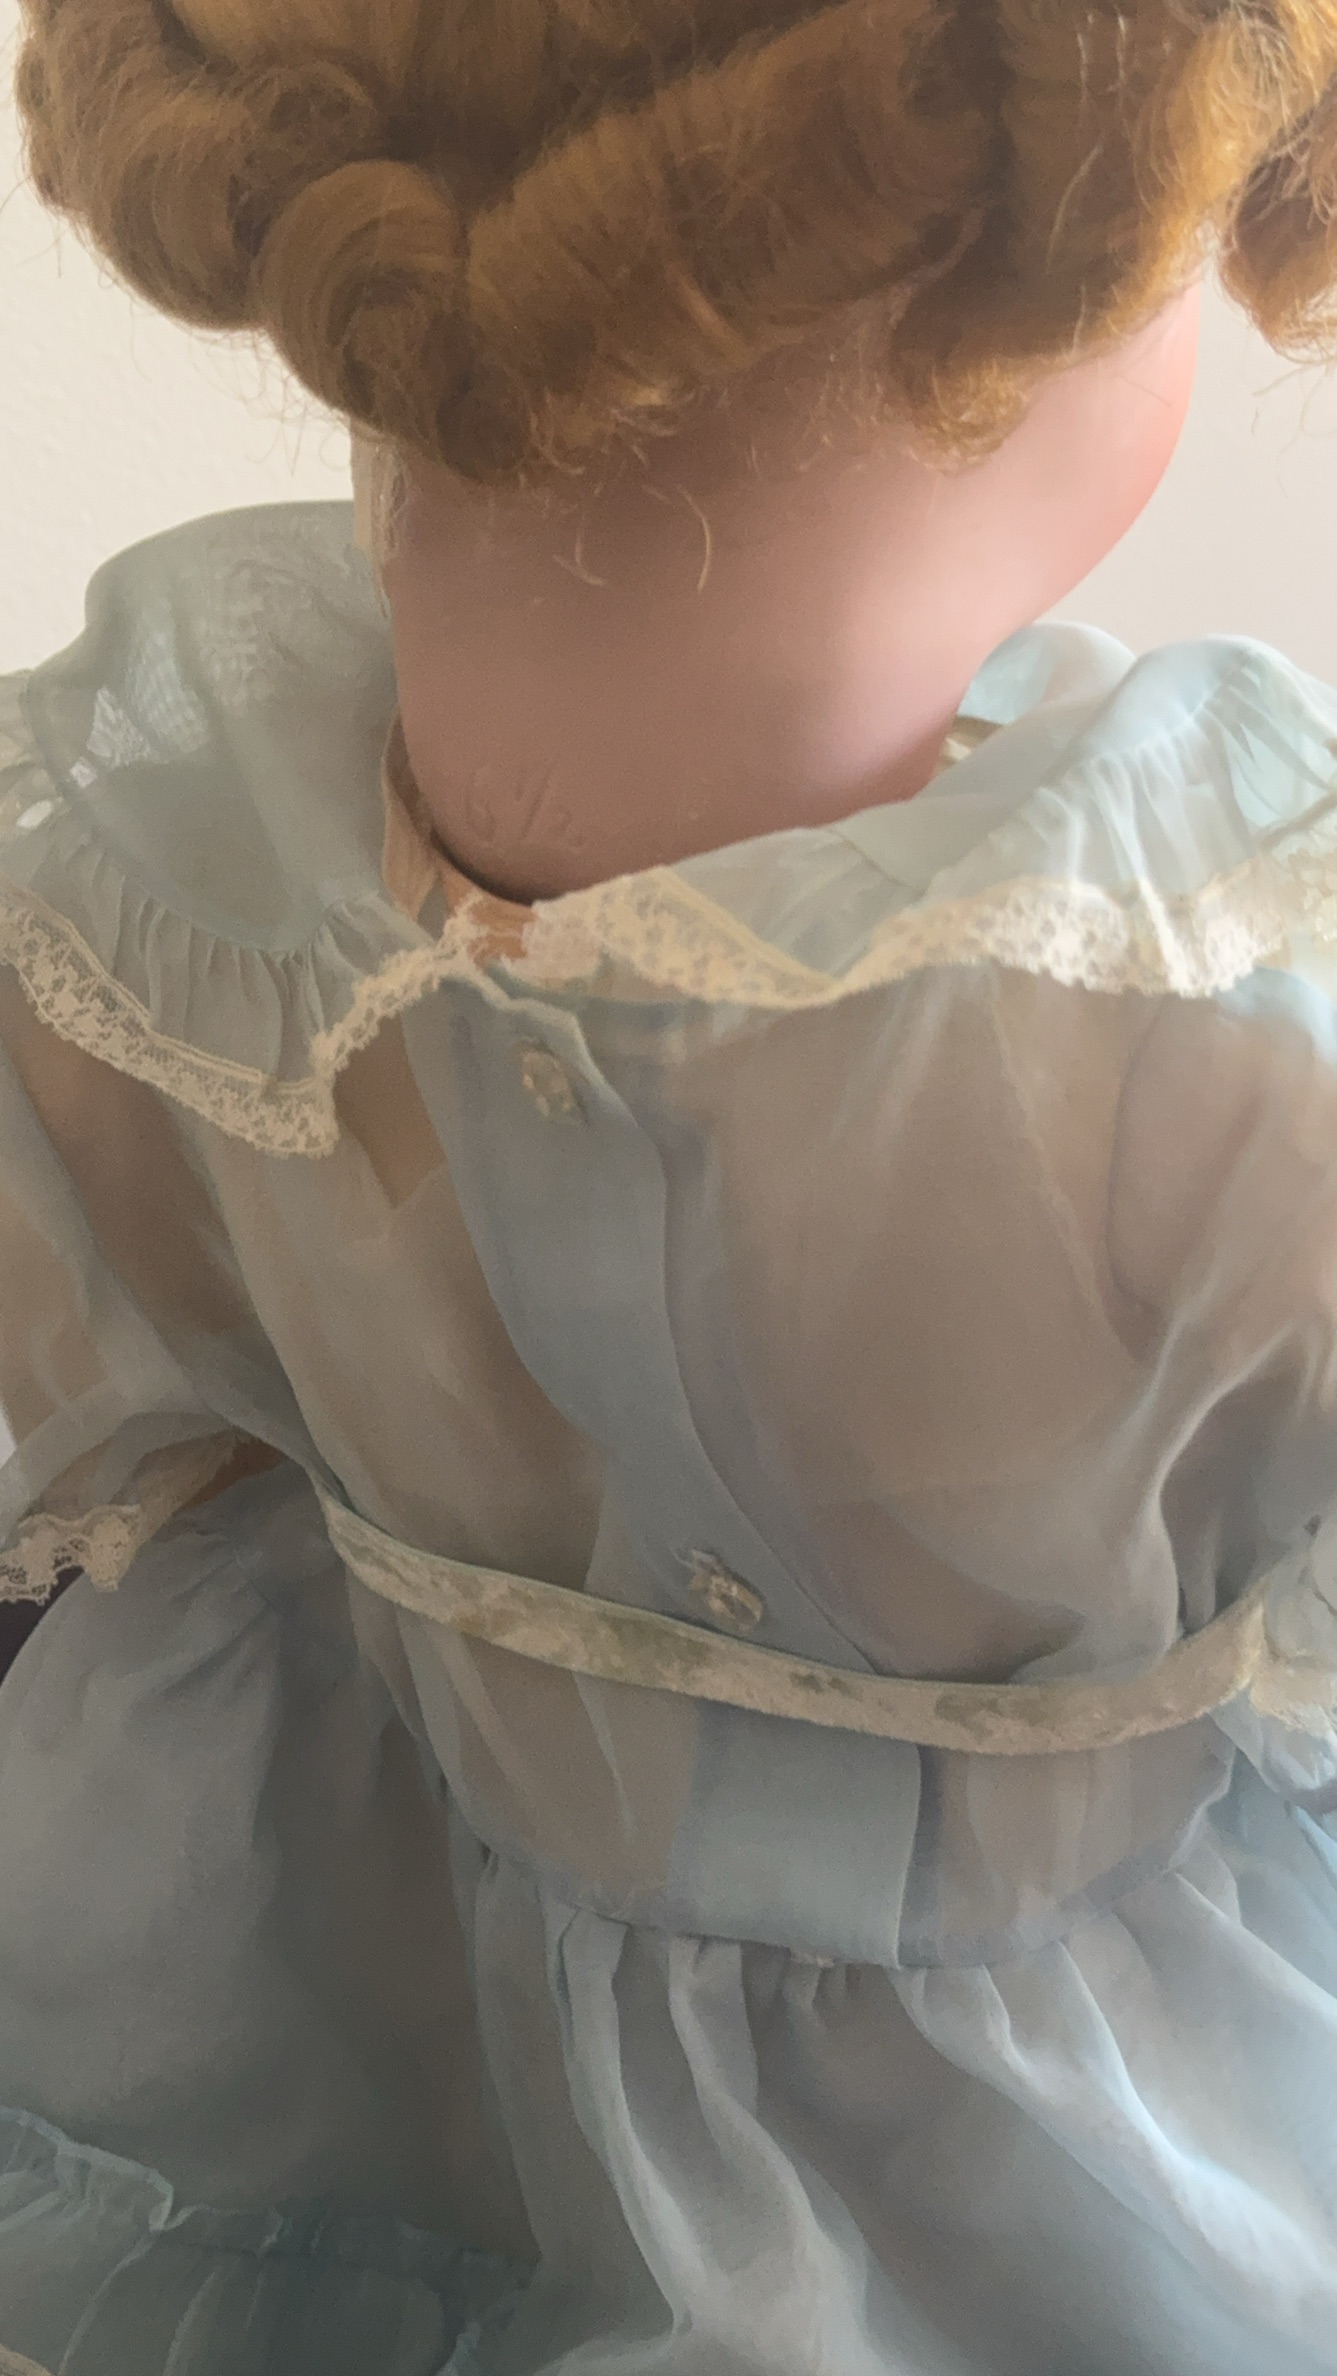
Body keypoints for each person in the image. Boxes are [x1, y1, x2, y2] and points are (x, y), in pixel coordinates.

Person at [4, 1, 1337, 2368]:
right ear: (1014, 290)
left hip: (365, 2026)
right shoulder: (1227, 1051)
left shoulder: (138, 889)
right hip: (1044, 2191)